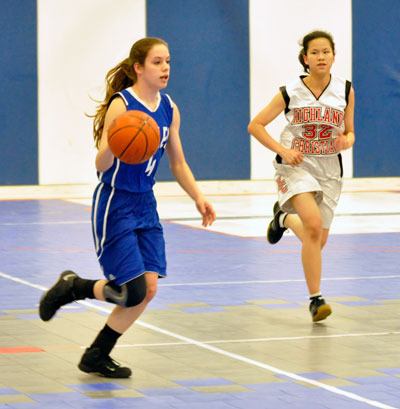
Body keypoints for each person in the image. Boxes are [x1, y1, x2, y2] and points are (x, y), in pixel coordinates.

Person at [39, 37, 216, 377]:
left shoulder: (169, 108)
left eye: (168, 61)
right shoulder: (122, 106)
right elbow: (102, 162)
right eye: (157, 62)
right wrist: (118, 145)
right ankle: (73, 286)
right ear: (138, 67)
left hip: (145, 204)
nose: (165, 68)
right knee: (131, 291)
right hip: (116, 202)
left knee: (147, 290)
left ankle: (96, 355)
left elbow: (177, 163)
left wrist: (198, 196)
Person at [248, 30, 355, 322]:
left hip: (330, 170)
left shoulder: (345, 89)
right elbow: (255, 125)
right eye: (315, 52)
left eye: (326, 52)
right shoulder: (290, 91)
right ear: (305, 58)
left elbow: (349, 131)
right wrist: (283, 148)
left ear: (334, 56)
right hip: (296, 165)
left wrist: (347, 140)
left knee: (316, 240)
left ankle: (282, 218)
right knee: (313, 224)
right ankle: (315, 299)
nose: (321, 57)